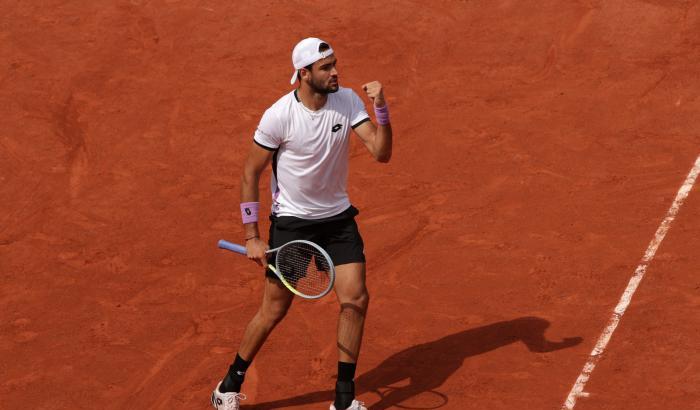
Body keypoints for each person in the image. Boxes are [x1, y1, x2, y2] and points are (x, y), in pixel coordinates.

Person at [211, 37, 393, 410]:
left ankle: (343, 399)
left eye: (335, 64)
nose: (335, 72)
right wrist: (252, 236)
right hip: (293, 225)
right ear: (303, 74)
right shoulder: (279, 115)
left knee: (355, 299)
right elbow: (250, 173)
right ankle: (228, 384)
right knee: (274, 310)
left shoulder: (347, 101)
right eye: (326, 68)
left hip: (338, 220)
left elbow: (381, 153)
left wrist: (382, 110)